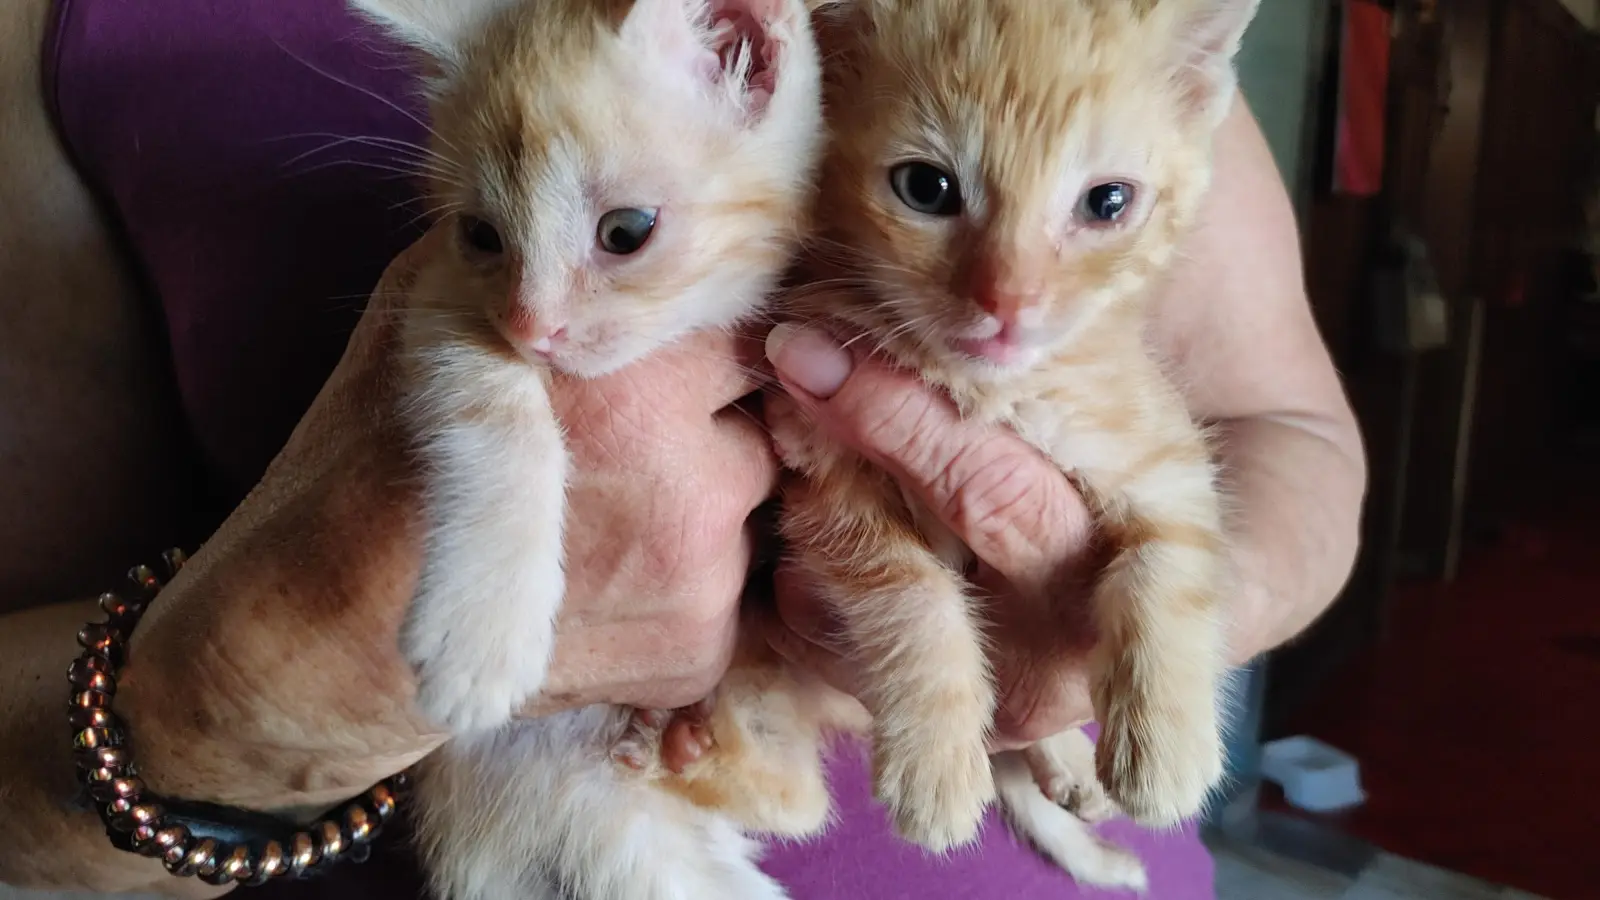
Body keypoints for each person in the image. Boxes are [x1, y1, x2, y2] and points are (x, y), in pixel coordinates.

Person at [0, 1, 1366, 898]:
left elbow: (1288, 428)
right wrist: (254, 679)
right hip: (524, 827)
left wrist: (1133, 621)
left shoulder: (1056, 45)